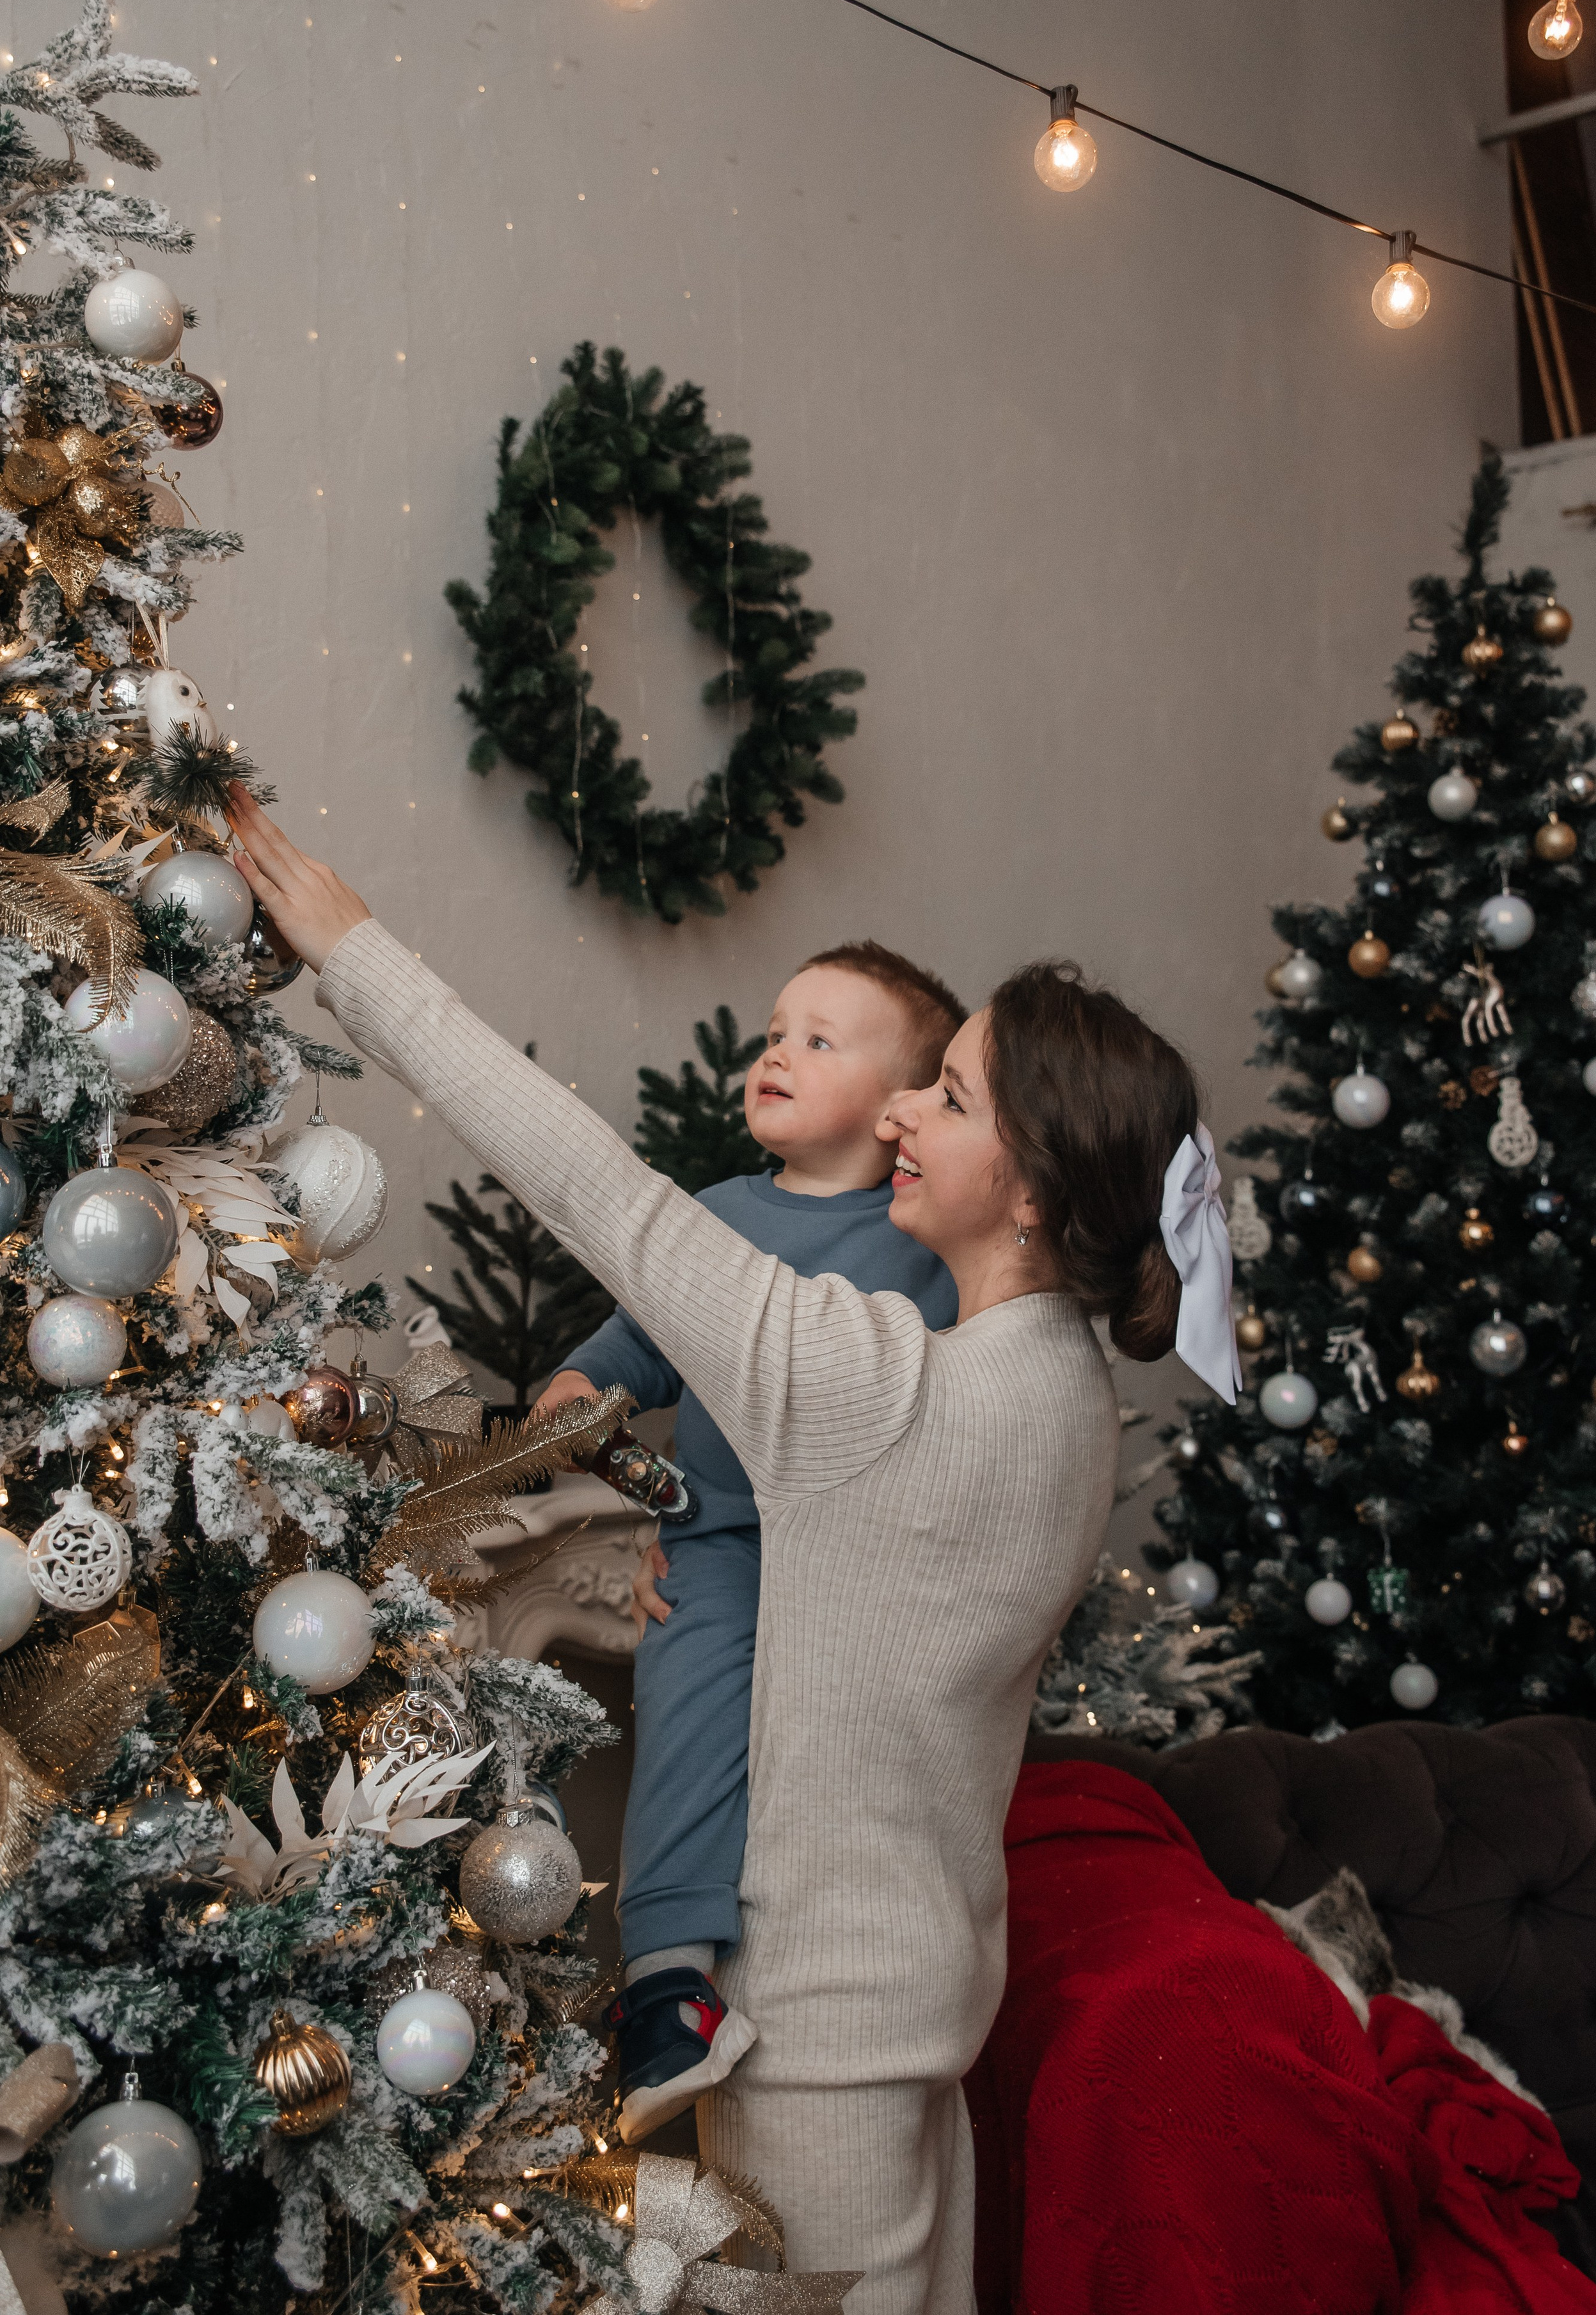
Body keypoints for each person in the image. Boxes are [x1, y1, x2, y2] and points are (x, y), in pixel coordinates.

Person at [228, 783, 1240, 2315]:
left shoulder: (879, 1389)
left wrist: (348, 950)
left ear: (1029, 1192)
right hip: (919, 2000)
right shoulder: (1057, 1392)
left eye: (947, 1097)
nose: (900, 1111)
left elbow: (592, 1187)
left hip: (817, 2033)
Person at [535, 943, 965, 2142]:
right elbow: (632, 1347)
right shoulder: (713, 1220)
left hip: (872, 1562)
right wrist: (585, 1393)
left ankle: (853, 1951)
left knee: (843, 1767)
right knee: (689, 1701)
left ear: (903, 1113)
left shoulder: (927, 1243)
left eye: (821, 1040)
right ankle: (670, 1984)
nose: (778, 1051)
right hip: (722, 1544)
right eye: (778, 1029)